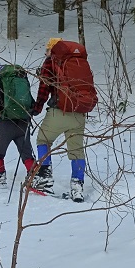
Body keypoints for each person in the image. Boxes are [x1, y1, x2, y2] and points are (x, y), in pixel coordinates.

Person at [31, 37, 98, 202]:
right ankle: (77, 187)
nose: (45, 52)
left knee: (43, 140)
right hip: (79, 112)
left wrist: (37, 108)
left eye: (47, 49)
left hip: (59, 111)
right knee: (76, 150)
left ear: (52, 49)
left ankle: (44, 179)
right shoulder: (78, 63)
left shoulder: (51, 61)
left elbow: (44, 88)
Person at [0, 64, 36, 186]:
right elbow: (31, 103)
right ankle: (35, 178)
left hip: (7, 124)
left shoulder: (1, 82)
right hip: (24, 123)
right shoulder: (23, 80)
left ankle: (0, 179)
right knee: (27, 154)